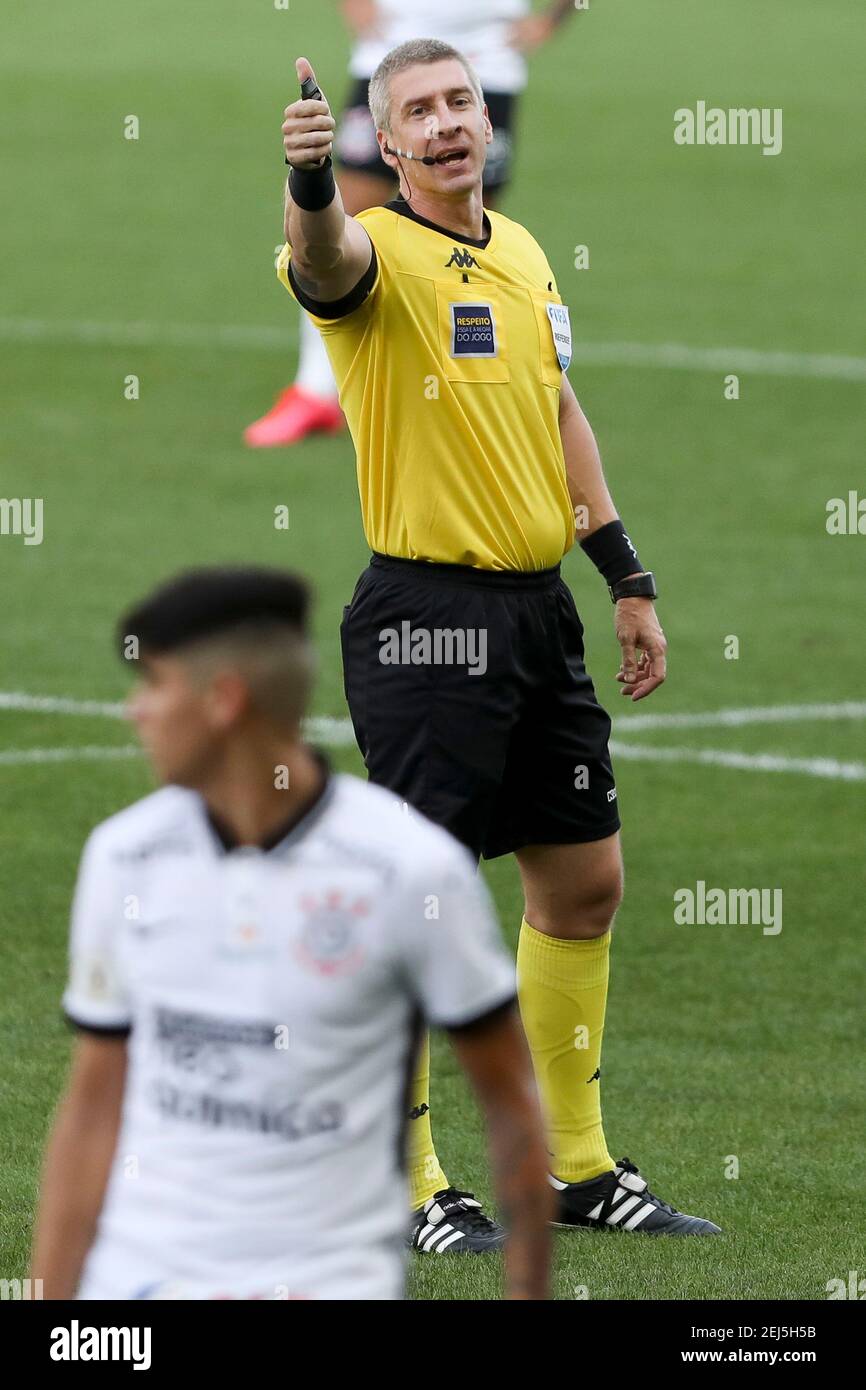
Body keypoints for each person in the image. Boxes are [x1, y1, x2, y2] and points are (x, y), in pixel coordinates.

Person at [275, 41, 722, 1251]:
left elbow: (555, 408)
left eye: (459, 100)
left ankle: (572, 1165)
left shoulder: (520, 253)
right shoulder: (378, 252)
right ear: (388, 140)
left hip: (539, 613)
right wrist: (312, 183)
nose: (444, 122)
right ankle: (410, 1177)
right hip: (427, 617)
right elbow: (324, 262)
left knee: (581, 883)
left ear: (485, 117)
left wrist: (622, 572)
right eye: (414, 110)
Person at [30, 568, 553, 1299]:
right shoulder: (125, 859)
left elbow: (511, 1106)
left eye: (153, 685)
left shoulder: (408, 872)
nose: (134, 711)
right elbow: (91, 1108)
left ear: (224, 701)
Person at [244, 0, 580, 447]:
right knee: (346, 219)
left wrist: (552, 21)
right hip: (391, 50)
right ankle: (315, 389)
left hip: (489, 57)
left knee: (475, 233)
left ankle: (472, 384)